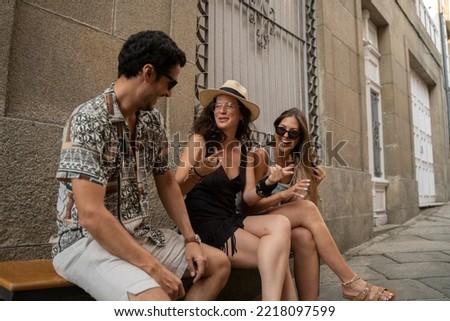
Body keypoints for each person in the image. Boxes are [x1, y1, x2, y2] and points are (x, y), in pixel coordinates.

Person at [50, 30, 230, 301]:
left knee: (218, 265)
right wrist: (155, 269)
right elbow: (90, 214)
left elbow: (167, 181)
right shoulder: (89, 119)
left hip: (139, 234)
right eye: (170, 83)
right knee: (156, 302)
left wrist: (191, 239)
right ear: (148, 72)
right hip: (86, 242)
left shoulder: (152, 121)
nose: (170, 93)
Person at [243, 107, 396, 301]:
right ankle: (351, 282)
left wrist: (313, 184)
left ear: (300, 138)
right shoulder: (261, 156)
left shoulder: (296, 160)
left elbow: (302, 211)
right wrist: (283, 192)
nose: (285, 136)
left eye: (293, 133)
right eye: (281, 130)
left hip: (276, 223)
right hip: (251, 222)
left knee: (305, 237)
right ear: (275, 129)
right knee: (306, 210)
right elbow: (248, 207)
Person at [175, 80, 297, 300]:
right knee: (276, 256)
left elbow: (250, 196)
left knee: (281, 225)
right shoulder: (199, 141)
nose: (221, 110)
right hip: (203, 225)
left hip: (229, 219)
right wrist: (198, 173)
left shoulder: (243, 151)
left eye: (229, 106)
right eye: (217, 105)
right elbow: (175, 190)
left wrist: (268, 183)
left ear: (242, 114)